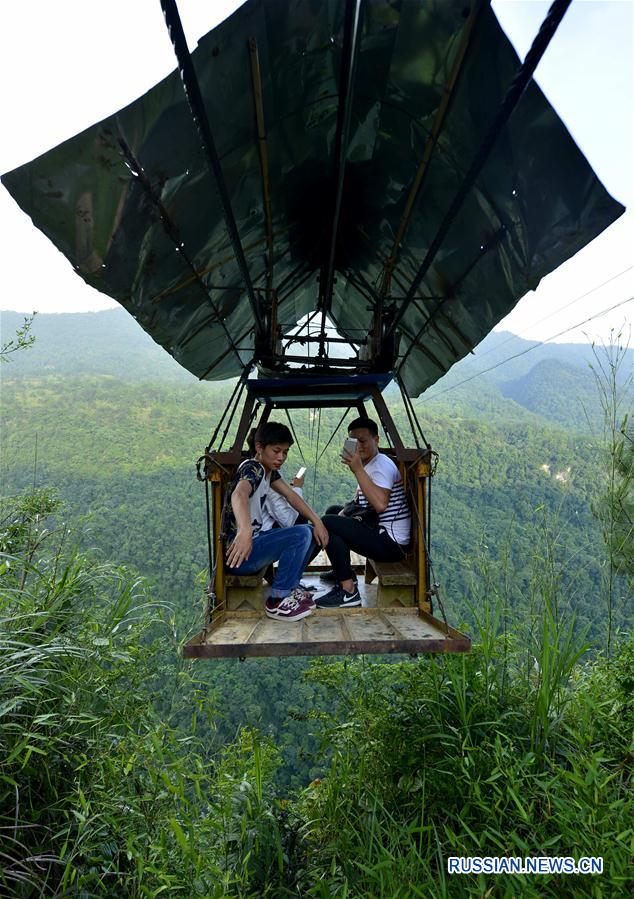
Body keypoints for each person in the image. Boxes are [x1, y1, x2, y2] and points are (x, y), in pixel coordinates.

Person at [224, 421, 328, 621]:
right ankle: (278, 600)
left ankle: (290, 588)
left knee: (309, 530)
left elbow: (292, 496)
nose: (281, 457)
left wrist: (318, 521)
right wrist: (244, 530)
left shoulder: (267, 471)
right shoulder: (253, 469)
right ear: (259, 447)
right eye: (276, 450)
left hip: (252, 545)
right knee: (301, 534)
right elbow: (239, 494)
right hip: (239, 556)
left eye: (285, 452)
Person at [316, 416, 411, 608]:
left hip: (391, 543)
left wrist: (357, 470)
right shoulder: (373, 463)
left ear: (376, 440)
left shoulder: (380, 466)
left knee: (327, 522)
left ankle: (349, 592)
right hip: (379, 529)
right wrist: (344, 513)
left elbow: (380, 504)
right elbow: (362, 504)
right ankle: (342, 571)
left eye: (363, 441)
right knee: (333, 512)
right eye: (353, 441)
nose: (358, 446)